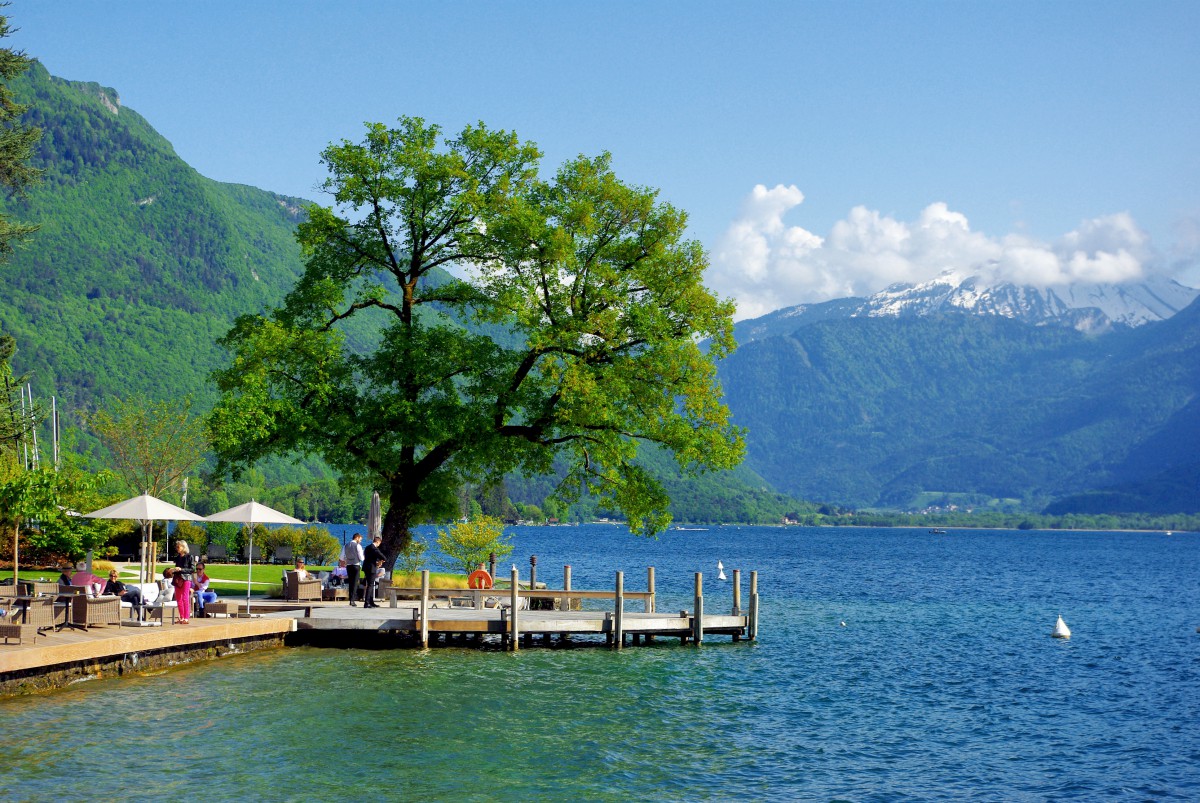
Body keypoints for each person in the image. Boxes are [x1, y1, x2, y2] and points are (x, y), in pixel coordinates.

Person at [172, 540, 197, 624]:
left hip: (186, 579)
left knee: (185, 598)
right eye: (177, 547)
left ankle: (186, 617)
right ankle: (181, 617)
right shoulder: (178, 557)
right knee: (178, 598)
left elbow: (192, 569)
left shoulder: (189, 557)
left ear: (183, 547)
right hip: (178, 579)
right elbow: (177, 568)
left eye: (178, 547)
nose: (177, 548)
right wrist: (173, 570)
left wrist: (181, 569)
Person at [362, 535, 385, 608]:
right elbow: (382, 556)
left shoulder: (367, 547)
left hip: (366, 567)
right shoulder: (374, 548)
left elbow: (369, 558)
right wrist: (383, 560)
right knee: (371, 585)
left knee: (370, 584)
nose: (379, 545)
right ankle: (367, 603)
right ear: (378, 542)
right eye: (379, 544)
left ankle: (371, 602)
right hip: (371, 568)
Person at [341, 532, 364, 606]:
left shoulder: (346, 545)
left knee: (350, 582)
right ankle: (352, 600)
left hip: (348, 565)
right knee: (355, 583)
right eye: (360, 539)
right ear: (357, 538)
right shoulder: (358, 546)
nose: (360, 541)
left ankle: (350, 598)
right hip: (356, 565)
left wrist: (346, 559)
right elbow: (361, 557)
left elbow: (341, 557)